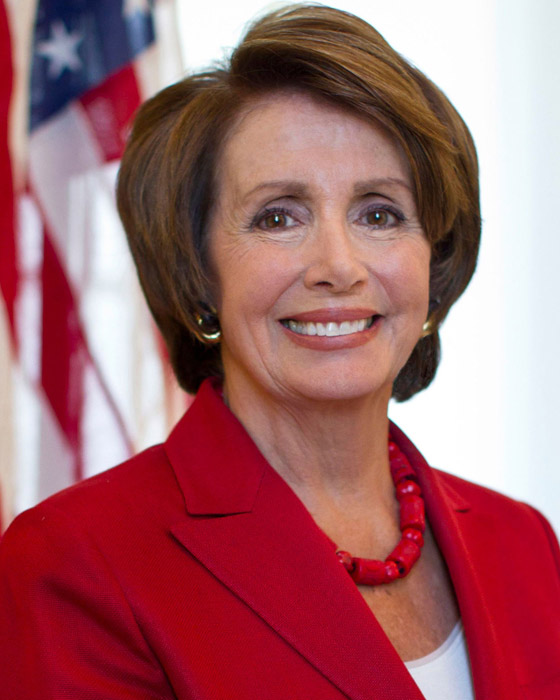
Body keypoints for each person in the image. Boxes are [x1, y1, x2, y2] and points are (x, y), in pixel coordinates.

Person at [1, 4, 559, 699]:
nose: (339, 266)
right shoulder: (76, 560)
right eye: (277, 217)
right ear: (199, 273)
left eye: (379, 213)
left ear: (434, 262)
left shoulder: (524, 543)